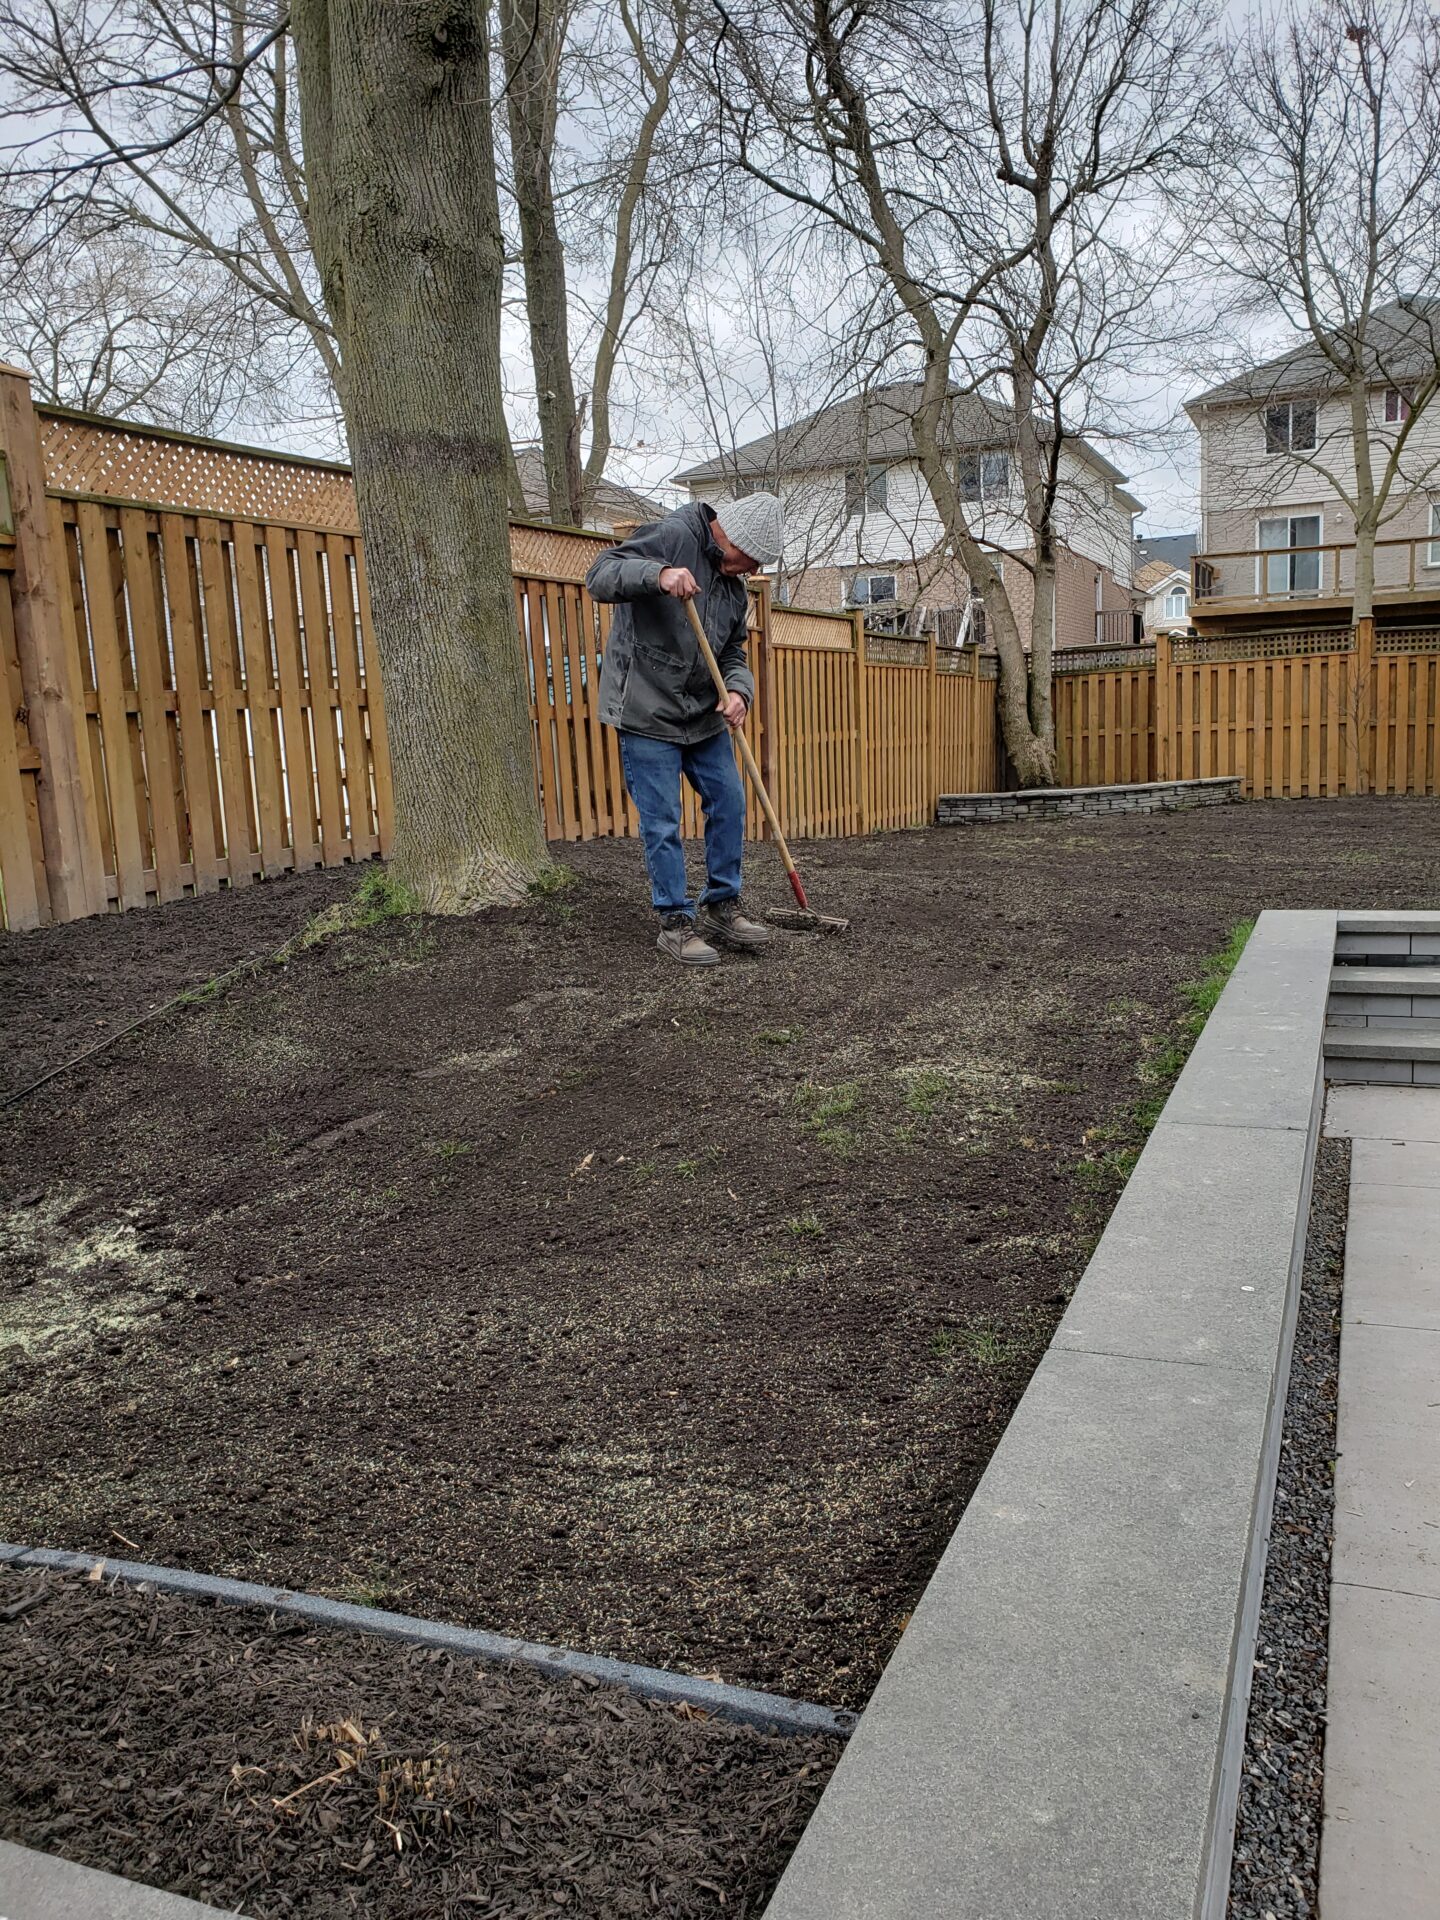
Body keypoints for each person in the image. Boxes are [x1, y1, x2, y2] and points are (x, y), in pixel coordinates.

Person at [585, 493, 785, 967]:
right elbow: (600, 575)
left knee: (729, 799)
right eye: (750, 559)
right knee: (663, 818)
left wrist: (739, 692)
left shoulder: (734, 589)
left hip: (702, 711)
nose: (751, 571)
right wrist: (657, 575)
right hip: (646, 706)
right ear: (729, 535)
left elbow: (733, 652)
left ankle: (721, 904)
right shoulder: (674, 535)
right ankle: (675, 921)